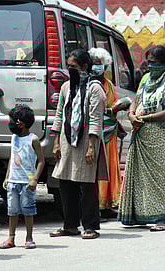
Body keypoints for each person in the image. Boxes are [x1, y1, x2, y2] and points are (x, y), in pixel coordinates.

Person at [118, 45, 165, 231]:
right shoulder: (146, 79)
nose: (151, 66)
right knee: (140, 178)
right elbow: (136, 100)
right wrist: (132, 115)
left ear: (164, 63)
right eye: (149, 62)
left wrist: (144, 118)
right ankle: (140, 215)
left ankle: (161, 218)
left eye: (155, 63)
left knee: (160, 178)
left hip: (161, 136)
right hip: (141, 134)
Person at [50, 49, 106, 239]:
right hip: (67, 139)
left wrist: (91, 146)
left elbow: (95, 119)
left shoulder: (95, 88)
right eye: (69, 67)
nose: (70, 70)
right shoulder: (66, 87)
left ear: (84, 67)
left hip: (86, 140)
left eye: (73, 67)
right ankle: (70, 225)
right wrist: (56, 141)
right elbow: (59, 114)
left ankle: (90, 226)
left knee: (86, 184)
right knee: (65, 183)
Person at [0, 105, 45, 249]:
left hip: (27, 182)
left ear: (21, 123)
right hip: (13, 181)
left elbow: (41, 161)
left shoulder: (34, 139)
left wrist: (35, 179)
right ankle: (11, 238)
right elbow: (12, 158)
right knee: (12, 211)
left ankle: (29, 237)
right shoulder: (14, 138)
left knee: (28, 210)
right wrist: (7, 177)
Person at [87, 48, 123, 218]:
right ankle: (96, 204)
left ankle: (107, 203)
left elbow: (113, 104)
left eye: (100, 64)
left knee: (109, 167)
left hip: (110, 130)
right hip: (94, 130)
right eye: (95, 63)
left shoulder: (108, 84)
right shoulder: (87, 83)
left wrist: (115, 108)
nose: (98, 67)